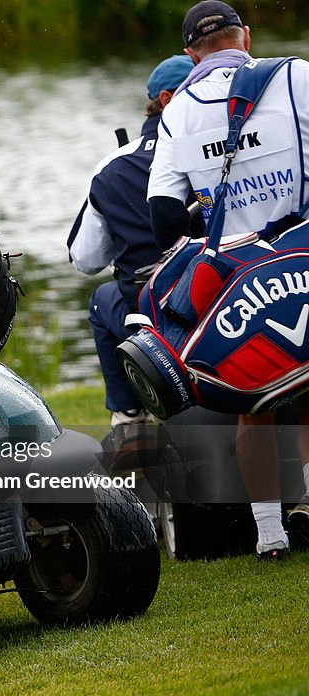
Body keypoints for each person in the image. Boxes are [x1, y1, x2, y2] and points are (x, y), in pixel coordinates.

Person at [147, 0, 309, 559]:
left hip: (240, 275)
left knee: (254, 404)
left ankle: (270, 534)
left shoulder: (179, 110)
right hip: (305, 253)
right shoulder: (296, 76)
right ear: (247, 35)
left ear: (191, 52)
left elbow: (164, 216)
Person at [67, 54, 195, 460]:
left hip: (151, 313)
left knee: (103, 298)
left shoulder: (113, 168)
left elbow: (85, 259)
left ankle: (130, 421)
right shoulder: (219, 150)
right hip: (220, 300)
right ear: (170, 99)